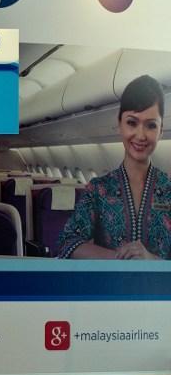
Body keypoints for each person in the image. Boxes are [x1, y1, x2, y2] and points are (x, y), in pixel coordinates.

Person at [58, 74, 171, 260]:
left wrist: (150, 260)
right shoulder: (98, 189)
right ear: (119, 125)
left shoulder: (168, 189)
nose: (140, 135)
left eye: (151, 125)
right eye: (132, 123)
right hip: (110, 287)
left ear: (160, 131)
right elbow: (67, 242)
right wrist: (119, 259)